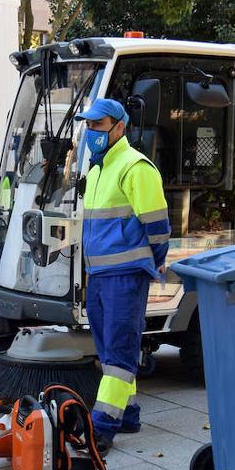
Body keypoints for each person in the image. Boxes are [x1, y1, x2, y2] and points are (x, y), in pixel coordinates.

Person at [75, 98, 170, 449]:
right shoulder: (99, 168)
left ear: (119, 127)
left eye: (98, 126)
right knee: (108, 349)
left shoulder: (135, 167)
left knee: (118, 352)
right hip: (100, 276)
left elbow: (158, 227)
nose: (92, 132)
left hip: (126, 276)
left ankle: (102, 427)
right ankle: (128, 415)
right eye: (89, 125)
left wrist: (154, 260)